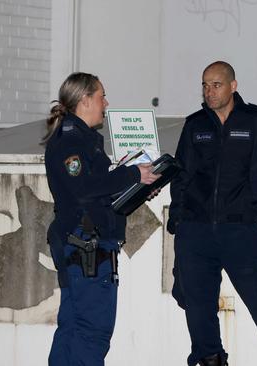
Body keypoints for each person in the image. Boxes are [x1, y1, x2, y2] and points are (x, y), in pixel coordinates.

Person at [167, 61, 257, 366]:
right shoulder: (195, 125)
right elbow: (181, 175)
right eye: (204, 85)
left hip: (241, 230)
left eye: (216, 85)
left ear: (233, 86)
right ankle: (210, 359)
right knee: (199, 306)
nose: (209, 91)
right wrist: (178, 220)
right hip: (196, 230)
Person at [44, 72, 160, 365]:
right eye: (101, 96)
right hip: (87, 248)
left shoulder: (82, 139)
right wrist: (133, 173)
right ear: (85, 100)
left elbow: (96, 192)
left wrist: (136, 190)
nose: (105, 104)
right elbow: (83, 190)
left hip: (82, 244)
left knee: (72, 326)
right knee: (92, 331)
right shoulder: (72, 141)